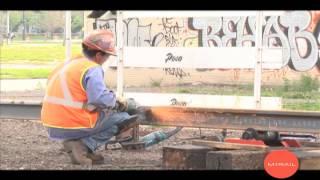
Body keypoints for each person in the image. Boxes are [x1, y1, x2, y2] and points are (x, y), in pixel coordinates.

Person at [41, 29, 138, 165]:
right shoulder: (92, 68)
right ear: (98, 55)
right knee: (123, 119)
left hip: (52, 124)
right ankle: (83, 146)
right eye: (107, 56)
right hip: (72, 124)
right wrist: (118, 102)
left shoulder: (69, 63)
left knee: (101, 113)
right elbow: (99, 99)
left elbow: (78, 93)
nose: (107, 59)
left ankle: (82, 147)